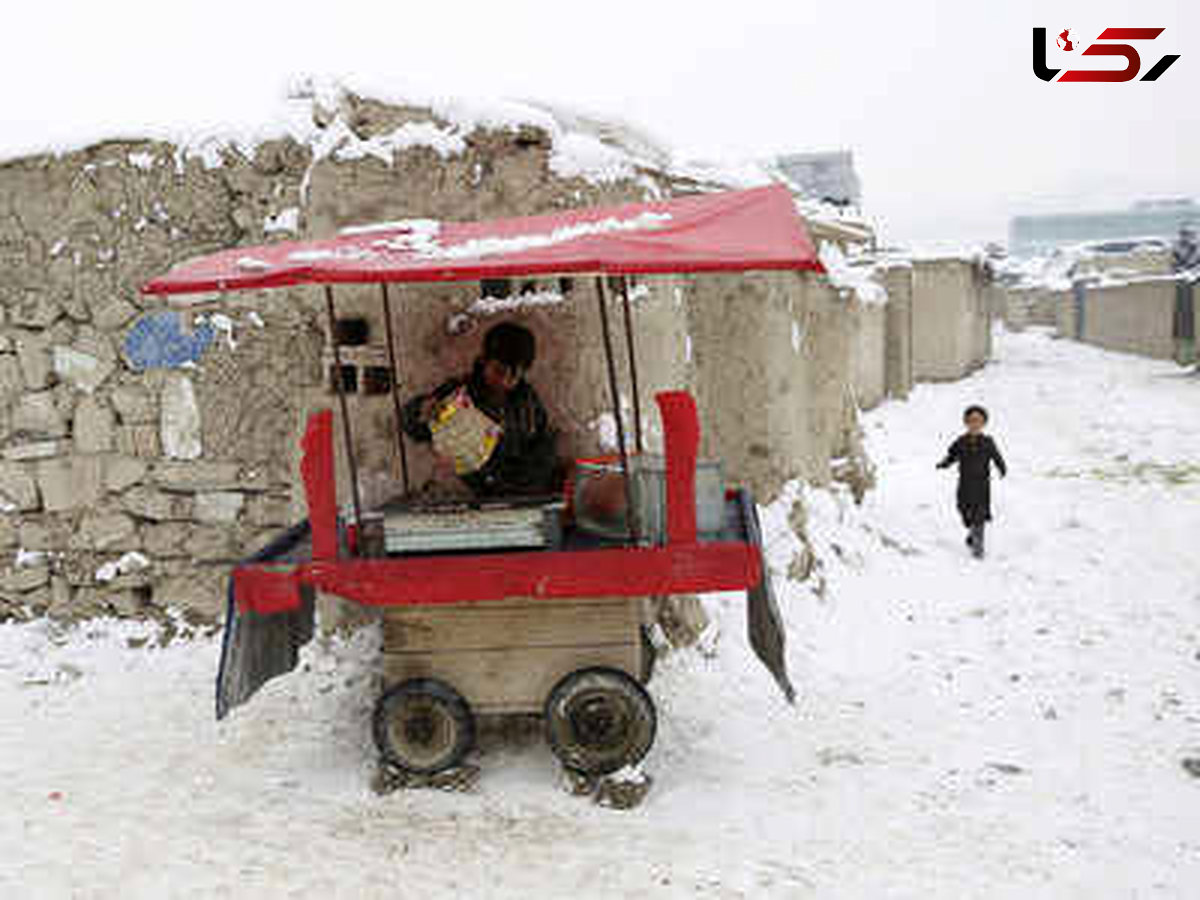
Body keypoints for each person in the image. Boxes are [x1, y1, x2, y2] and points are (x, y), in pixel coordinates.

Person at [400, 321, 559, 498]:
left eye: (514, 376)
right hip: (465, 499)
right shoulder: (459, 393)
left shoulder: (528, 403)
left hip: (516, 498)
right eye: (499, 371)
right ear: (484, 361)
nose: (505, 382)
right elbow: (413, 426)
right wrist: (421, 409)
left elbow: (544, 447)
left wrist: (522, 481)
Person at [936, 405, 1007, 558]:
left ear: (983, 424)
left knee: (979, 516)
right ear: (966, 423)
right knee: (964, 511)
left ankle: (978, 549)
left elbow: (997, 457)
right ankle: (971, 533)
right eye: (971, 421)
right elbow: (952, 456)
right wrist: (944, 464)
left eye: (979, 421)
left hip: (982, 486)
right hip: (965, 486)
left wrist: (1002, 468)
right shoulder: (960, 442)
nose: (975, 424)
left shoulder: (988, 442)